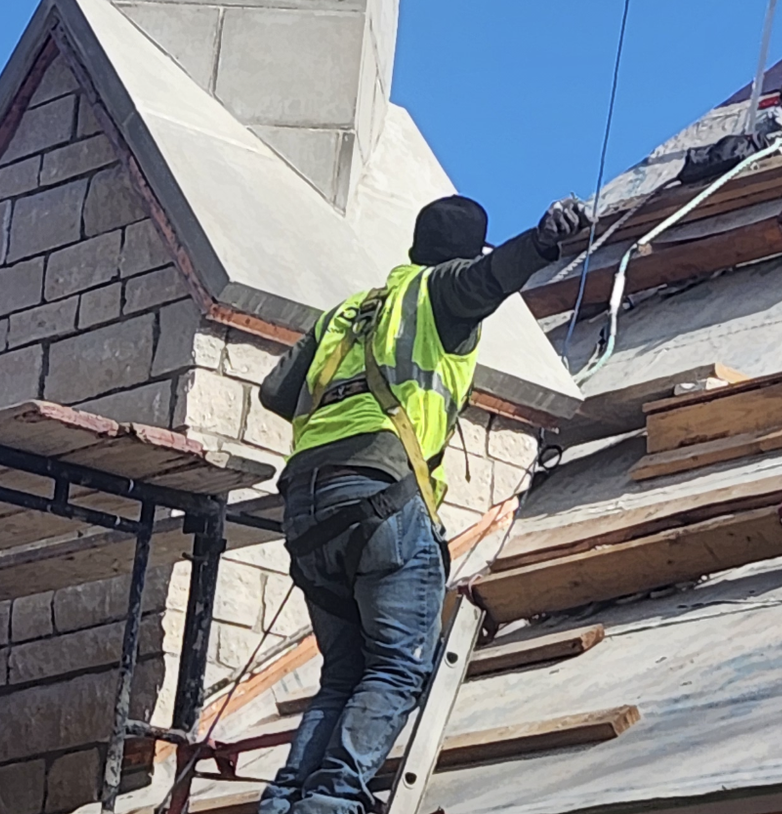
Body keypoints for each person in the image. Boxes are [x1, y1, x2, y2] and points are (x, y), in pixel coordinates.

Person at [253, 193, 592, 814]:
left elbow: (276, 390)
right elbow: (487, 280)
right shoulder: (439, 295)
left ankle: (283, 803)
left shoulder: (352, 311)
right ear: (462, 254)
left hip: (306, 507)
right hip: (380, 492)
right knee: (399, 667)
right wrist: (545, 241)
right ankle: (329, 804)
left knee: (343, 674)